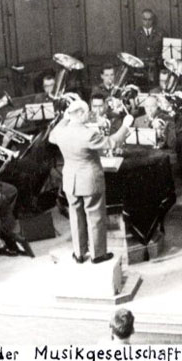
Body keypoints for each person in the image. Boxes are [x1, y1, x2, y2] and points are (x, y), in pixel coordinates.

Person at [49, 98, 133, 263]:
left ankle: (79, 253)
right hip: (89, 179)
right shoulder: (87, 134)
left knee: (76, 215)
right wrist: (126, 125)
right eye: (86, 112)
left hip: (70, 179)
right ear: (80, 113)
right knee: (95, 215)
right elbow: (112, 142)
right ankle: (98, 254)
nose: (88, 115)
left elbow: (51, 137)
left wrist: (66, 117)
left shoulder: (60, 132)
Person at [134, 9, 165, 83]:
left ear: (153, 20)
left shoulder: (161, 33)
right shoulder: (135, 34)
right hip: (141, 70)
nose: (147, 22)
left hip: (156, 69)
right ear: (141, 20)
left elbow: (165, 51)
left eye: (149, 19)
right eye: (145, 19)